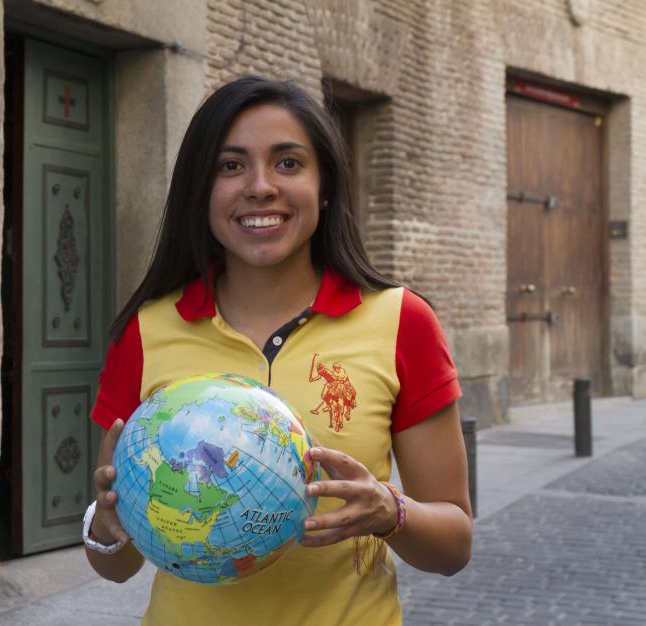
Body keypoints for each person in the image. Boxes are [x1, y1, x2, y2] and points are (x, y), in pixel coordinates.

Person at [82, 76, 472, 625]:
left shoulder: (402, 322)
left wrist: (392, 512)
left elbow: (454, 546)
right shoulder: (145, 330)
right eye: (230, 165)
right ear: (200, 189)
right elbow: (116, 567)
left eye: (289, 163)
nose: (260, 186)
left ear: (326, 185)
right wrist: (106, 523)